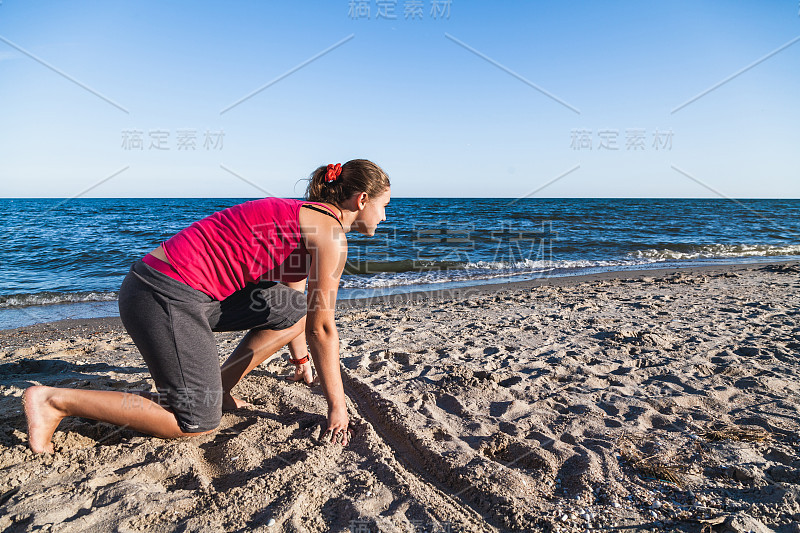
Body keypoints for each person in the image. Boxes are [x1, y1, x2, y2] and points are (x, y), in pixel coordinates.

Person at [22, 159, 391, 454]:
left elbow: (295, 304)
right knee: (195, 422)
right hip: (162, 296)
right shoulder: (330, 236)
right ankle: (55, 401)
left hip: (175, 291)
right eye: (383, 207)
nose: (385, 217)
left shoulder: (303, 213)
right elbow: (322, 328)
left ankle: (220, 388)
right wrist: (337, 407)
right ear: (361, 199)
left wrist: (300, 363)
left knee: (289, 306)